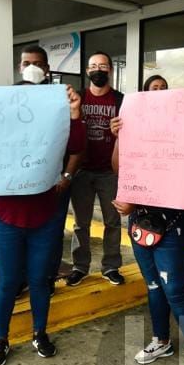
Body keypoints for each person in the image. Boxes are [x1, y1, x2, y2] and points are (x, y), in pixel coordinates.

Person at [109, 76, 184, 365]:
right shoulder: (134, 128)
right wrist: (119, 137)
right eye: (154, 89)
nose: (159, 93)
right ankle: (161, 340)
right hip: (141, 223)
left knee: (175, 290)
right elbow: (119, 168)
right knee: (153, 286)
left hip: (174, 225)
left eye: (164, 89)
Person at [0, 85, 87, 365]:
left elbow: (76, 147)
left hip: (45, 218)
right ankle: (0, 340)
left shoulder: (50, 131)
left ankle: (39, 333)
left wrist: (75, 114)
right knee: (8, 283)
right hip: (7, 220)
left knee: (40, 281)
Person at [17, 45, 82, 295]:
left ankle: (48, 278)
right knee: (21, 233)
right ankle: (22, 279)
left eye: (37, 64)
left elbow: (78, 145)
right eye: (27, 63)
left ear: (47, 68)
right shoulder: (10, 96)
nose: (31, 68)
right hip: (21, 183)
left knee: (53, 233)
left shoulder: (63, 97)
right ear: (20, 67)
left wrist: (67, 176)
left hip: (56, 182)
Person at [67, 52, 126, 287]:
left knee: (112, 221)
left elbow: (132, 134)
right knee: (81, 223)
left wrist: (119, 133)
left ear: (110, 69)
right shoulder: (78, 98)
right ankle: (79, 267)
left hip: (109, 171)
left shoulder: (121, 101)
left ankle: (111, 266)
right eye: (93, 66)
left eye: (102, 66)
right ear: (87, 71)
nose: (97, 70)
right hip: (81, 170)